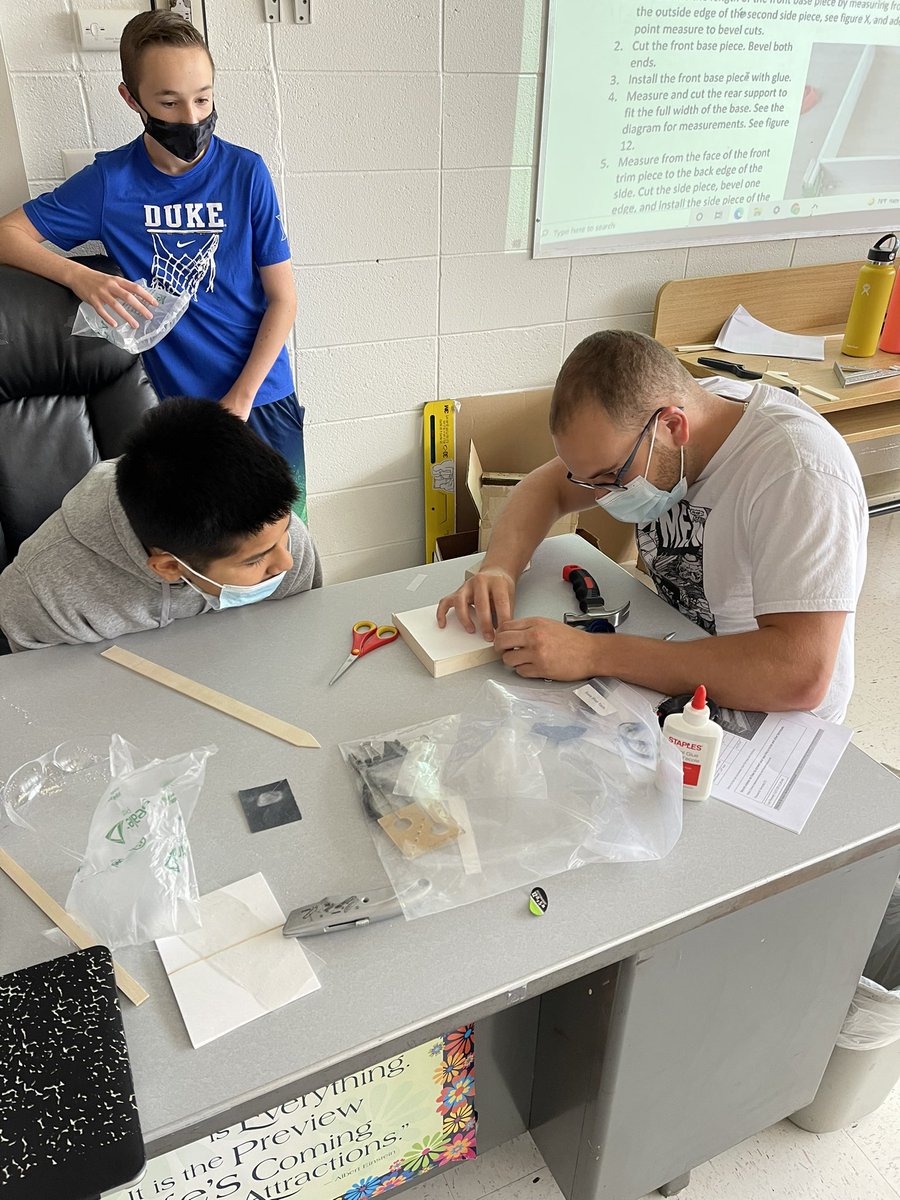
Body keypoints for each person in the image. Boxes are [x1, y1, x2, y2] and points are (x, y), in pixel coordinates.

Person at [437, 330, 868, 722]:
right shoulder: (679, 417)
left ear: (673, 426)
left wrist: (594, 653)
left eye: (611, 477)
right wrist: (499, 567)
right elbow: (543, 488)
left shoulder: (800, 475)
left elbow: (799, 673)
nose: (601, 497)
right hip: (678, 661)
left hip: (775, 712)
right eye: (591, 482)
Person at [0, 10, 308, 519]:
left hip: (262, 395)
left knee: (283, 548)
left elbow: (283, 298)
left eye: (204, 98)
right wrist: (81, 275)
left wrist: (242, 398)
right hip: (175, 413)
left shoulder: (245, 172)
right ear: (132, 99)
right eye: (168, 101)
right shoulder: (109, 182)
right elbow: (8, 235)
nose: (190, 117)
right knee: (198, 558)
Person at [0, 398, 321, 652]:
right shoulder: (44, 592)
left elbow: (295, 636)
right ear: (168, 566)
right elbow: (46, 691)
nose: (286, 562)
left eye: (285, 532)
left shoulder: (273, 532)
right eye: (255, 560)